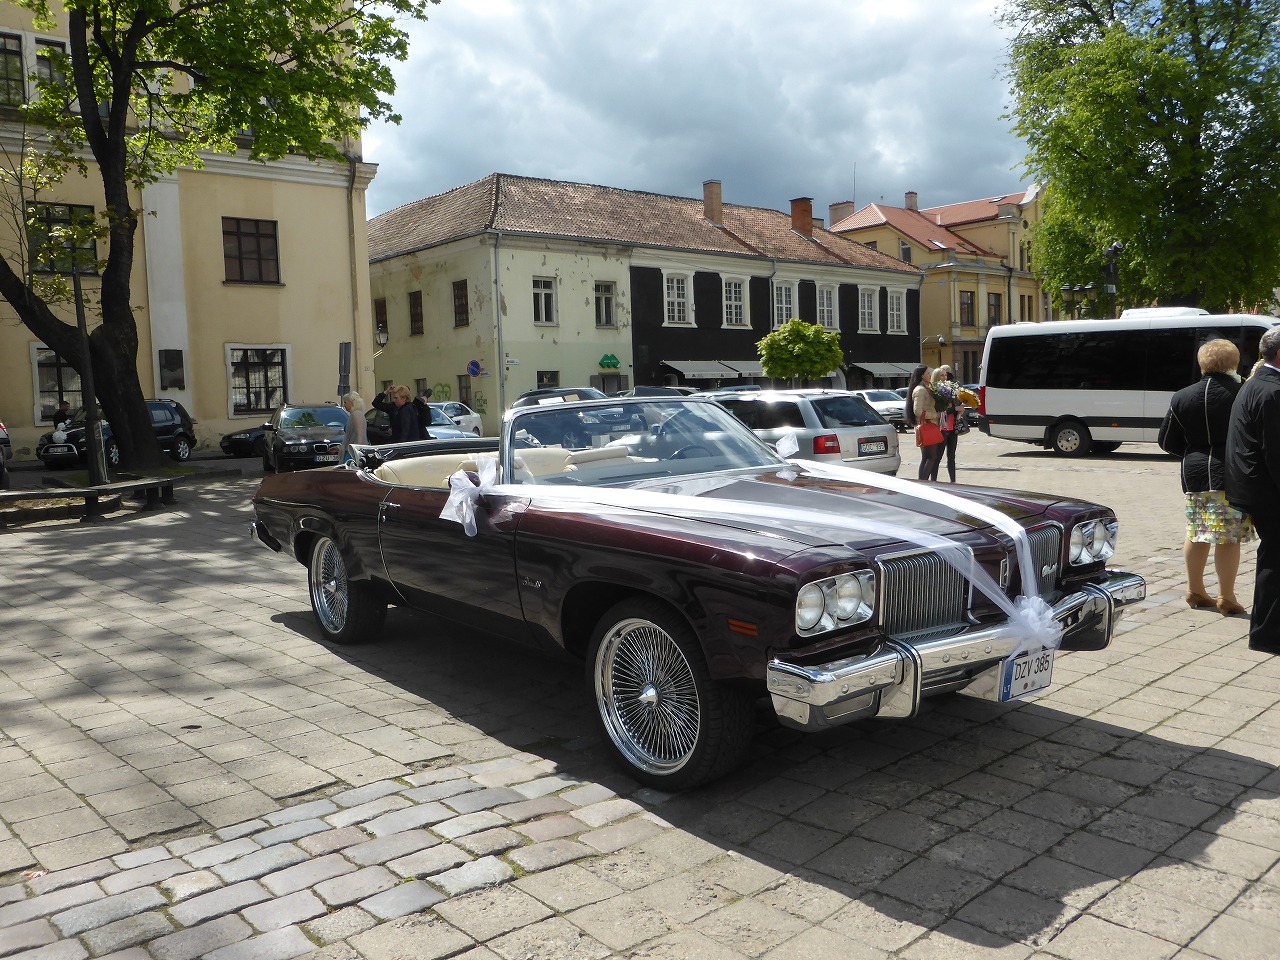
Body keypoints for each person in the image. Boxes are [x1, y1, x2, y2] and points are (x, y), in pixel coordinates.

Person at [1158, 339, 1253, 616]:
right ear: (1234, 362)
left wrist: (1193, 452)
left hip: (1196, 472)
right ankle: (1226, 596)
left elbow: (1166, 440)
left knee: (1197, 531)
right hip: (1231, 472)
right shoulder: (1243, 392)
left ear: (1202, 363)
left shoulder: (1182, 396)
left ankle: (1195, 589)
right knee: (1228, 537)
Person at [1227, 326, 1280, 652]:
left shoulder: (1256, 383)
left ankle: (1266, 631)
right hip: (1267, 490)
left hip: (1254, 486)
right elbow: (1275, 451)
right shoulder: (1271, 390)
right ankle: (1267, 635)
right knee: (1275, 561)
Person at [904, 364, 944, 481]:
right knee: (931, 457)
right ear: (921, 375)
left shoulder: (926, 388)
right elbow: (917, 411)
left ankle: (922, 481)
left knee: (927, 457)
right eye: (928, 373)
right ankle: (923, 482)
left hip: (929, 425)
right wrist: (936, 415)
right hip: (926, 426)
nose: (930, 375)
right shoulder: (920, 390)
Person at [932, 364, 963, 482]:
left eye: (945, 375)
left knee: (951, 457)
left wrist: (959, 408)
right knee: (937, 457)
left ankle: (953, 481)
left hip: (952, 427)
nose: (944, 377)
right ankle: (933, 481)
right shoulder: (935, 391)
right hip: (941, 428)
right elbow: (940, 411)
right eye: (942, 375)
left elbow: (955, 405)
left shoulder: (951, 389)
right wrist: (954, 409)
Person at [340, 391, 367, 461]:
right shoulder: (354, 415)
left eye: (345, 402)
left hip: (353, 453)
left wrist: (358, 453)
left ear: (351, 402)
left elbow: (360, 435)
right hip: (351, 451)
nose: (344, 405)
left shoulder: (357, 414)